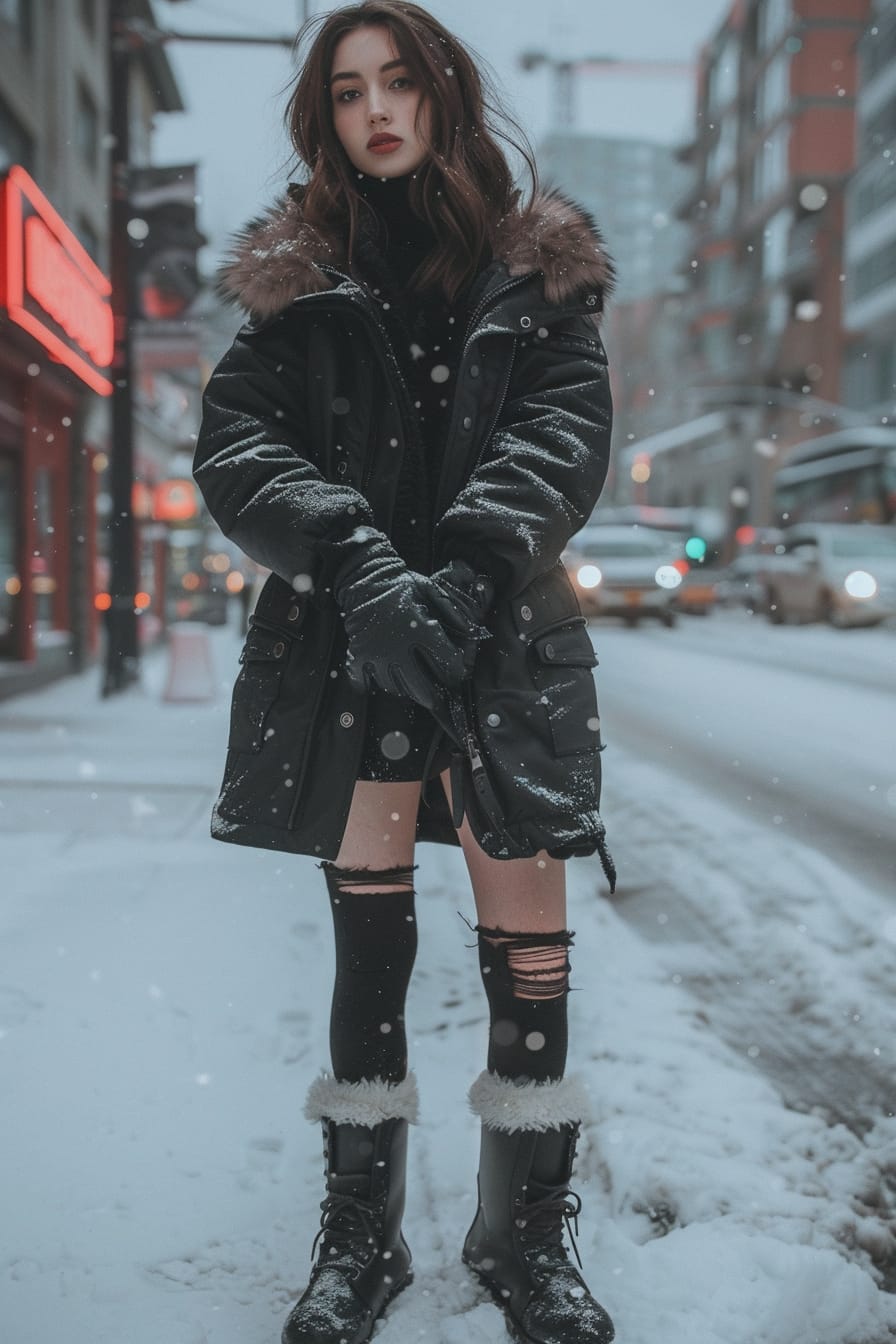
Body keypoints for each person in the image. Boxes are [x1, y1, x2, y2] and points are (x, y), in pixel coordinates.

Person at [193, 4, 616, 1341]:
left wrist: (472, 568)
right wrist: (362, 569)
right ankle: (360, 1239)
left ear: (443, 93)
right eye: (348, 91)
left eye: (398, 82)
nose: (376, 109)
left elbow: (564, 434)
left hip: (505, 644)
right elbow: (238, 451)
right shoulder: (296, 280)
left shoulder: (535, 268)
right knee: (370, 956)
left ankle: (524, 1236)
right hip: (353, 649)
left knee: (527, 945)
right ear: (326, 119)